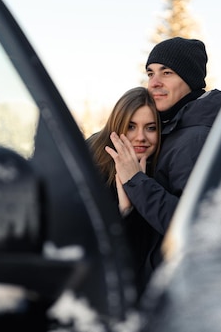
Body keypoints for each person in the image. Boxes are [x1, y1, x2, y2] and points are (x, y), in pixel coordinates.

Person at [106, 36, 221, 277]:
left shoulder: (195, 139)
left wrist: (135, 181)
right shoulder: (175, 127)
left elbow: (193, 226)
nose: (154, 83)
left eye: (167, 73)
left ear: (190, 79)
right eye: (150, 73)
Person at [86, 86, 161, 296]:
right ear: (117, 126)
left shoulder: (154, 172)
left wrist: (129, 209)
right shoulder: (92, 163)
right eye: (131, 126)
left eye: (151, 128)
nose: (141, 137)